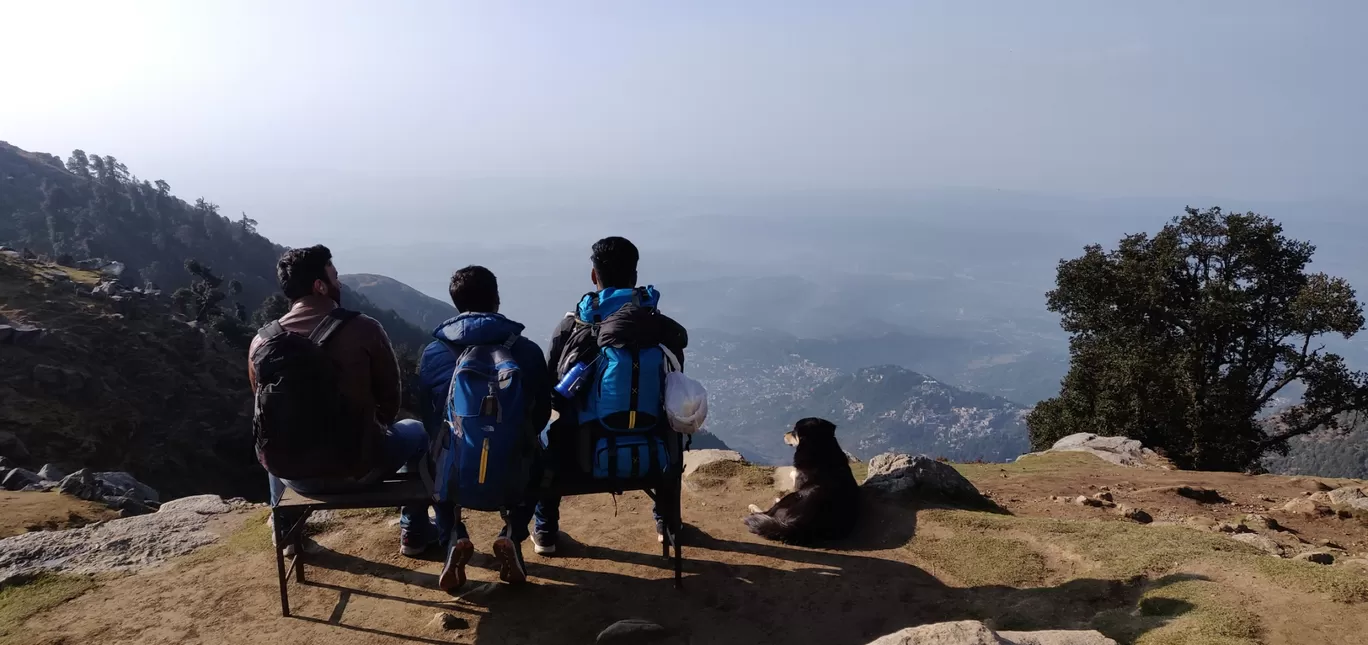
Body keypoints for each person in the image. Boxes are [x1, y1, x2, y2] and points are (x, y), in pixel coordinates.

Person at [248, 245, 433, 554]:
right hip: (359, 468)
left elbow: (260, 406)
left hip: (294, 477)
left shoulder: (261, 342)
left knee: (274, 428)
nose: (340, 283)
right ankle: (414, 533)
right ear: (320, 286)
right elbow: (390, 401)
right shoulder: (364, 329)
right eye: (334, 276)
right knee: (418, 430)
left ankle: (286, 534)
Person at [535, 236, 688, 555]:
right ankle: (667, 522)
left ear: (594, 275)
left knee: (549, 444)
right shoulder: (657, 327)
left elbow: (553, 391)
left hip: (582, 454)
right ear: (635, 275)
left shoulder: (572, 326)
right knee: (667, 428)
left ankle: (545, 533)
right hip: (653, 452)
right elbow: (674, 385)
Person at [417, 265, 552, 589]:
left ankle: (452, 535)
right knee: (539, 455)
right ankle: (512, 533)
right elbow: (542, 416)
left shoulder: (434, 352)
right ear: (497, 300)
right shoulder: (527, 351)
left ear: (457, 304)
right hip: (513, 471)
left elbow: (428, 418)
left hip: (455, 474)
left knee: (439, 449)